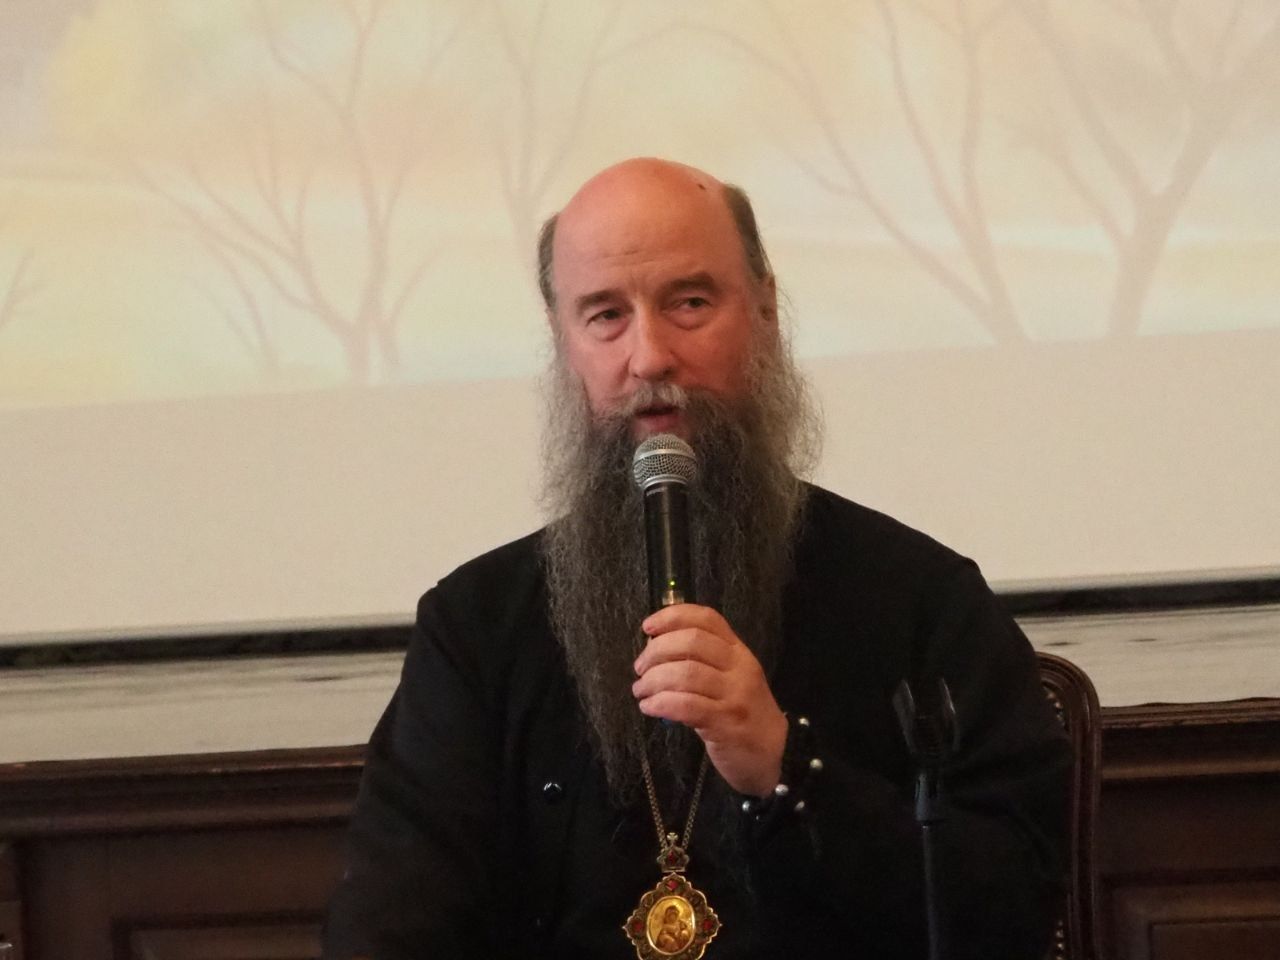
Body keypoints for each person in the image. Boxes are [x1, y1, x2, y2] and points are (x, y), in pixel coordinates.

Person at [323, 158, 1069, 959]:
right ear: (564, 343)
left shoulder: (920, 600)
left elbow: (1011, 913)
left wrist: (786, 764)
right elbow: (387, 929)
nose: (649, 357)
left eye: (689, 303)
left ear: (766, 310)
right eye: (606, 315)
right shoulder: (475, 627)